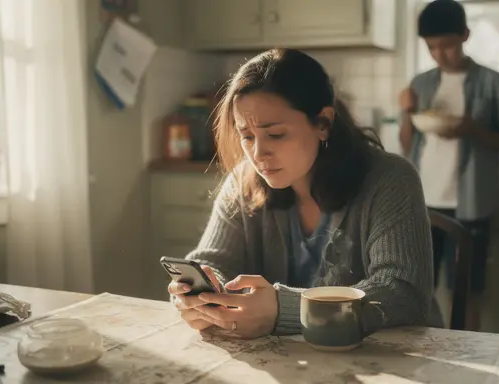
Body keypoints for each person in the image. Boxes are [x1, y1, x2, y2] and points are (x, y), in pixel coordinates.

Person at [168, 48, 438, 339]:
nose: (258, 154)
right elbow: (212, 260)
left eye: (276, 134)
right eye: (247, 136)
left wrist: (285, 310)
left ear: (323, 124)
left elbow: (403, 292)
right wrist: (202, 297)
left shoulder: (390, 179)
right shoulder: (243, 181)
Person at [399, 0, 499, 330]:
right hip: (424, 204)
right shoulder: (420, 84)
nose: (440, 55)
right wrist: (407, 112)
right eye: (432, 47)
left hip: (471, 205)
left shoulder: (493, 82)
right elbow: (409, 144)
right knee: (418, 287)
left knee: (466, 291)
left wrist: (473, 130)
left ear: (465, 35)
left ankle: (468, 362)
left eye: (448, 45)